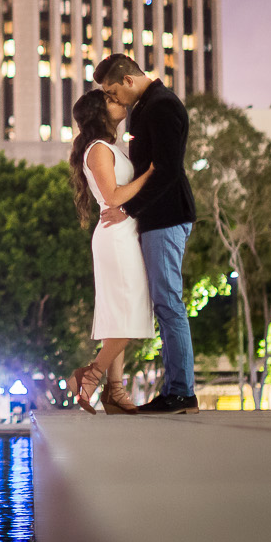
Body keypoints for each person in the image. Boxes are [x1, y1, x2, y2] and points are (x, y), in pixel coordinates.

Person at [93, 54, 200, 414]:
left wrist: (128, 210)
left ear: (127, 80)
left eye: (112, 91)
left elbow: (167, 170)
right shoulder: (147, 108)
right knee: (165, 302)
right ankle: (176, 390)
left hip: (166, 217)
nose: (113, 100)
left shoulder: (162, 106)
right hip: (155, 218)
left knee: (169, 303)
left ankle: (182, 392)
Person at [65, 87, 154, 413]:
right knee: (130, 314)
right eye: (111, 100)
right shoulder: (99, 149)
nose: (119, 103)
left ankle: (115, 391)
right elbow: (114, 197)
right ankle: (89, 377)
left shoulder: (109, 148)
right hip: (116, 238)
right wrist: (150, 175)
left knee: (121, 314)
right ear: (98, 113)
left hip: (122, 232)